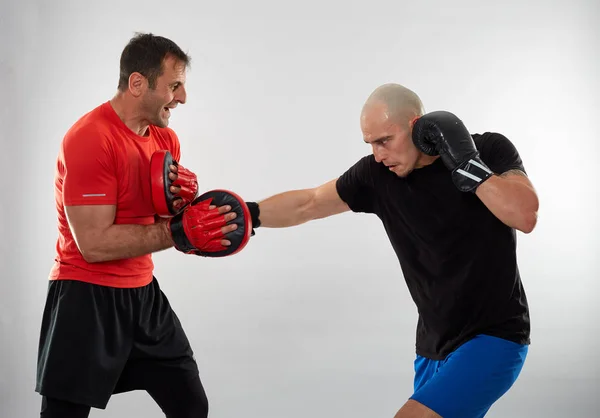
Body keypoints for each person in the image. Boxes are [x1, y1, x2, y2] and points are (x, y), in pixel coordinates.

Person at [244, 83, 539, 418]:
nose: (378, 154)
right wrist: (248, 212)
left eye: (384, 140)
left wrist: (466, 162)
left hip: (494, 336)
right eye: (370, 143)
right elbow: (309, 203)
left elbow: (524, 215)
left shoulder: (488, 148)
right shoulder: (376, 175)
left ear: (417, 126)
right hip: (432, 346)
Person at [35, 33, 249, 418]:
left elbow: (161, 223)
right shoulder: (89, 139)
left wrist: (193, 220)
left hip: (143, 295)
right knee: (64, 414)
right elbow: (95, 245)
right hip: (85, 296)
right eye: (174, 86)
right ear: (137, 83)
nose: (182, 97)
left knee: (191, 406)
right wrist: (177, 231)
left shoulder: (165, 139)